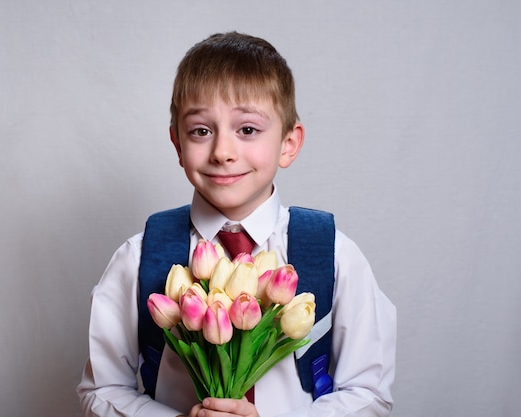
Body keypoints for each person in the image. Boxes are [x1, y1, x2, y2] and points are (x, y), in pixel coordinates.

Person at [77, 32, 396, 417]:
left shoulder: (333, 256)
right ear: (177, 143)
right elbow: (102, 389)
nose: (223, 152)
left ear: (288, 143)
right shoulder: (140, 257)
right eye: (200, 131)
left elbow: (369, 393)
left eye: (247, 130)